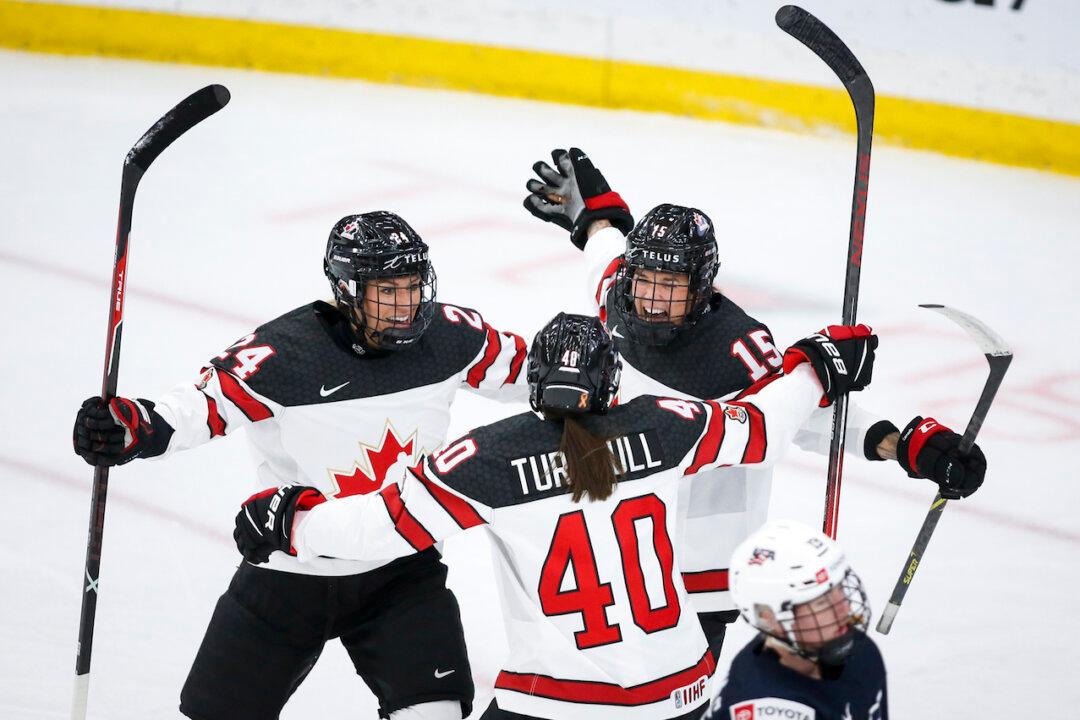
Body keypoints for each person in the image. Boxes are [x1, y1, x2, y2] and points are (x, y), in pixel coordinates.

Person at [233, 312, 879, 720]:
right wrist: (816, 368)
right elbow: (763, 427)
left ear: (535, 381)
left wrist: (291, 521)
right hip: (682, 695)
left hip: (561, 704)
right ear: (611, 384)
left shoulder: (486, 459)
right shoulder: (665, 425)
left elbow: (377, 530)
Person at [521, 148, 987, 657]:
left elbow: (804, 415)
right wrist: (596, 218)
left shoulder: (737, 350)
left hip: (696, 572)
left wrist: (907, 446)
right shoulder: (619, 295)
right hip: (616, 555)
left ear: (701, 286)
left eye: (671, 284)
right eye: (646, 279)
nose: (651, 298)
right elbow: (605, 255)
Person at [72, 211, 530, 720]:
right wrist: (136, 425)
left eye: (412, 286)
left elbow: (529, 371)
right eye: (387, 290)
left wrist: (575, 370)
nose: (406, 305)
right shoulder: (286, 353)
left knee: (435, 715)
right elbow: (202, 406)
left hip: (402, 570)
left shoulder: (450, 336)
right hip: (291, 570)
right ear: (348, 289)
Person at [699, 520, 888, 720]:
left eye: (840, 589)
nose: (845, 609)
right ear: (769, 618)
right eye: (822, 603)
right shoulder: (767, 709)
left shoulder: (859, 652)